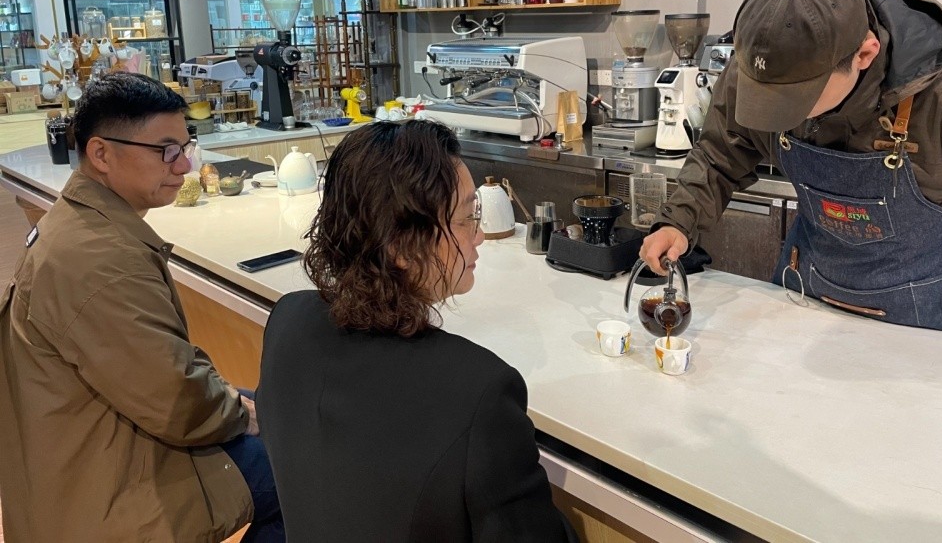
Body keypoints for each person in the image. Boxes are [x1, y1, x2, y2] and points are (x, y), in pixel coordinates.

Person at [256, 120, 577, 542]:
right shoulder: (480, 393)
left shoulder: (287, 320)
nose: (480, 235)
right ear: (401, 246)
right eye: (466, 218)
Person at [641, 0, 942, 335]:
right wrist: (679, 221)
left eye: (795, 98)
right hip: (809, 301)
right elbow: (720, 154)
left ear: (864, 54)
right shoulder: (759, 69)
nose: (777, 112)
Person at [0, 72, 284, 541]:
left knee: (272, 408)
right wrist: (239, 413)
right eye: (166, 151)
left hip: (79, 448)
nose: (184, 167)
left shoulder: (80, 224)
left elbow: (160, 370)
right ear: (101, 154)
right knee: (311, 467)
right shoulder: (101, 261)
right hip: (106, 493)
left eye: (185, 148)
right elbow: (176, 400)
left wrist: (232, 403)